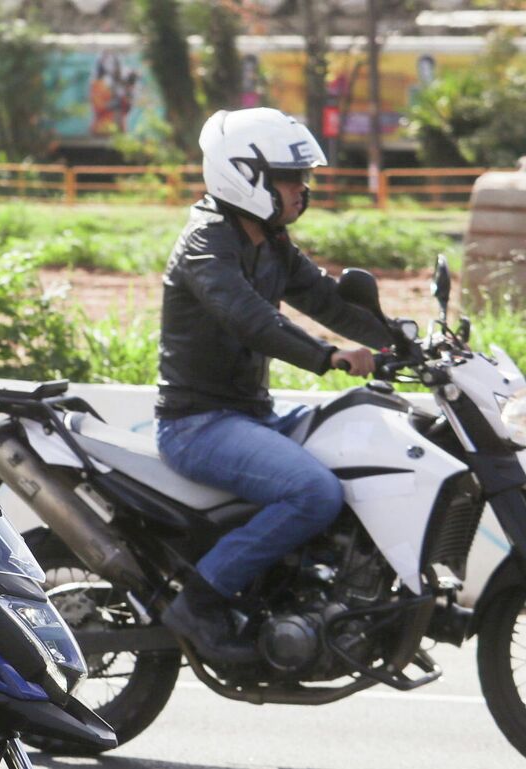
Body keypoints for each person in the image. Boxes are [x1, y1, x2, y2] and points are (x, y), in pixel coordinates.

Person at [155, 108, 394, 664]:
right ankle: (200, 601)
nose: (302, 190)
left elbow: (327, 299)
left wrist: (401, 342)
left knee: (362, 433)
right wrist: (327, 354)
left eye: (303, 178)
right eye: (291, 177)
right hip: (198, 424)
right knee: (314, 492)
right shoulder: (206, 243)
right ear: (246, 175)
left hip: (251, 416)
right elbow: (249, 319)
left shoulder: (270, 241)